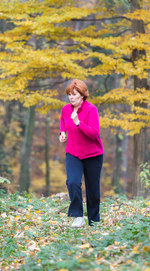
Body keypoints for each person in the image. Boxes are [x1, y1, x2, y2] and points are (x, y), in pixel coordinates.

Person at [59, 79, 104, 227]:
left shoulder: (91, 110)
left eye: (74, 95)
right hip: (73, 153)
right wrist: (62, 133)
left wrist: (78, 122)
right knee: (72, 182)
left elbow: (94, 134)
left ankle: (93, 222)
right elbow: (63, 122)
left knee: (93, 190)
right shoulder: (65, 109)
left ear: (83, 95)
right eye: (69, 95)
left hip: (93, 154)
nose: (71, 98)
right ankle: (78, 216)